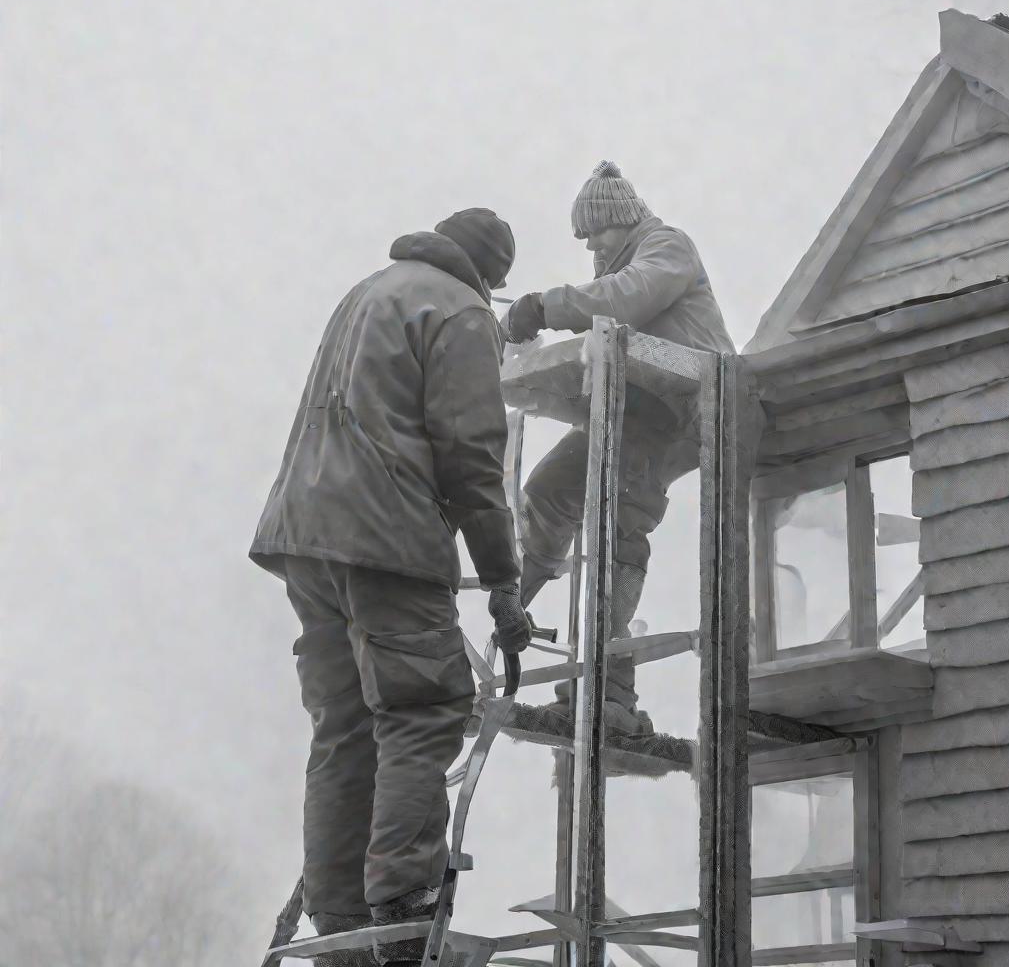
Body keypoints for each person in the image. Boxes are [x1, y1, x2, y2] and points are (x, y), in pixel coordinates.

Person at [250, 209, 532, 967]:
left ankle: (339, 920)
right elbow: (472, 456)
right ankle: (402, 914)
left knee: (344, 726)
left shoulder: (368, 292)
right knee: (421, 707)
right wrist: (504, 583)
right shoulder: (463, 312)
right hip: (387, 538)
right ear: (491, 274)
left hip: (306, 538)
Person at [503, 162, 734, 737]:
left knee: (619, 522)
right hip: (632, 404)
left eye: (596, 234)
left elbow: (627, 298)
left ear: (620, 219)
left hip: (684, 409)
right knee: (549, 492)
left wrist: (545, 306)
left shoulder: (666, 246)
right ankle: (510, 611)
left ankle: (610, 686)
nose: (592, 250)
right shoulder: (629, 262)